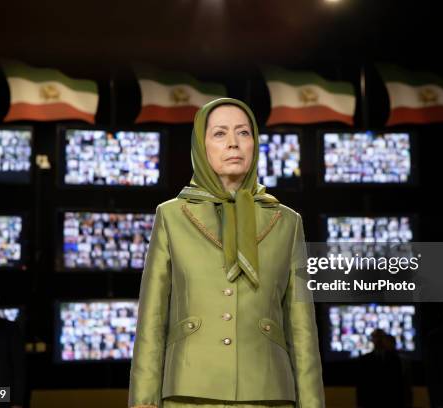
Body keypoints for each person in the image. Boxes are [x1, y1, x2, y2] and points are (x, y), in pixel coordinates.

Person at [128, 98, 325, 408]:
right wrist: (143, 401)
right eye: (220, 133)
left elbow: (302, 329)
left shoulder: (287, 222)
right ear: (200, 146)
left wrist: (312, 403)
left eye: (244, 133)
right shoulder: (171, 216)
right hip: (188, 392)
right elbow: (151, 319)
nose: (233, 143)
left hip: (268, 392)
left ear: (255, 144)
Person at [356, 330, 412, 408]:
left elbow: (400, 382)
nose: (378, 340)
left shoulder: (395, 359)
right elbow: (362, 384)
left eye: (381, 337)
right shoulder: (364, 360)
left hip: (392, 401)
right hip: (371, 401)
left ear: (385, 339)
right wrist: (360, 403)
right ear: (372, 339)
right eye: (376, 337)